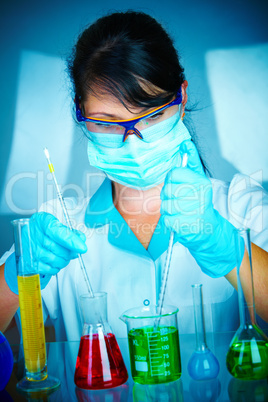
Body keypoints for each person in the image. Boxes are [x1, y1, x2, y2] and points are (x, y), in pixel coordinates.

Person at [0, 11, 267, 341]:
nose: (132, 140)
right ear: (80, 112)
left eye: (151, 116)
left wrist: (227, 249)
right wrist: (14, 277)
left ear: (180, 98)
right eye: (108, 122)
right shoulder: (56, 227)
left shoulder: (240, 205)